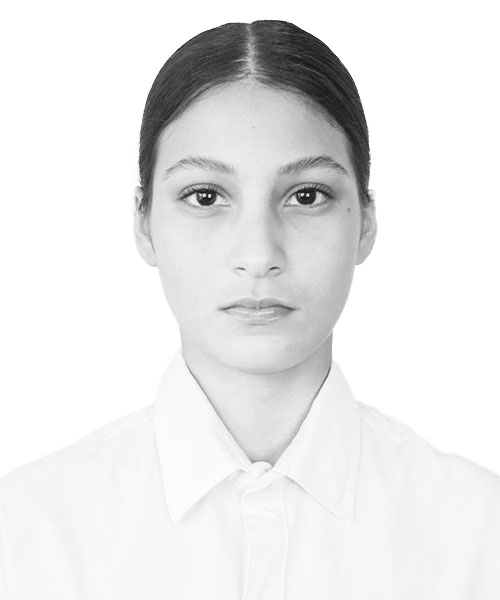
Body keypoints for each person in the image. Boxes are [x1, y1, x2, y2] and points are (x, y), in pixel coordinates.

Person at [0, 19, 499, 599]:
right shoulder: (27, 535)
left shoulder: (477, 536)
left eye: (306, 196)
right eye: (206, 196)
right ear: (144, 222)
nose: (259, 255)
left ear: (365, 221)